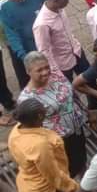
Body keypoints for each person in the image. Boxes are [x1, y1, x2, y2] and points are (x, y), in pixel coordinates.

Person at [8, 99, 78, 192]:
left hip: (29, 188)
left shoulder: (17, 130)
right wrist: (73, 188)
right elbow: (53, 175)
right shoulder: (39, 144)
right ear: (40, 116)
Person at [18, 52, 87, 182]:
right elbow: (31, 129)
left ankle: (85, 182)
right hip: (58, 141)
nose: (45, 72)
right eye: (39, 70)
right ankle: (74, 189)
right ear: (28, 72)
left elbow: (72, 95)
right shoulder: (26, 99)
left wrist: (86, 112)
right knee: (67, 168)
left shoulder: (57, 76)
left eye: (46, 67)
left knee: (81, 158)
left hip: (77, 129)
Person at [0, 0, 46, 87]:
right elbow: (11, 34)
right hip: (25, 48)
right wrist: (23, 56)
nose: (16, 1)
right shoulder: (3, 6)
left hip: (45, 44)